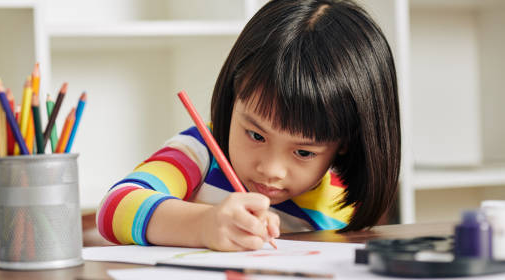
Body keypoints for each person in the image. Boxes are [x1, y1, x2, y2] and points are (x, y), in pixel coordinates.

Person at [91, 0, 400, 251]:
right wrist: (203, 225)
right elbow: (114, 208)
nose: (271, 169)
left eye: (304, 152)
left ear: (345, 142)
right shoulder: (202, 150)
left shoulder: (340, 202)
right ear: (233, 94)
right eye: (255, 134)